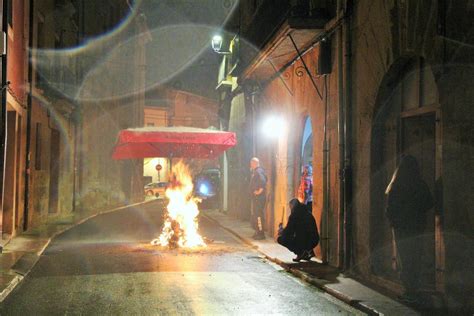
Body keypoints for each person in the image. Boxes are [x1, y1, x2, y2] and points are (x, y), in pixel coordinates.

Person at [385, 155, 433, 304]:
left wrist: (395, 222)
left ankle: (409, 290)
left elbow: (390, 209)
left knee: (404, 258)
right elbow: (429, 202)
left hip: (401, 228)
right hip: (417, 227)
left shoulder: (396, 186)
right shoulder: (420, 184)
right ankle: (414, 289)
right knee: (415, 257)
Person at [249, 157, 267, 240]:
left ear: (254, 163)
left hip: (259, 198)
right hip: (257, 198)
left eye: (251, 164)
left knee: (259, 215)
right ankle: (257, 232)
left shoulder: (258, 171)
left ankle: (261, 233)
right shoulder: (257, 171)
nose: (250, 165)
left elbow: (262, 181)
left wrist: (259, 191)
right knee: (256, 215)